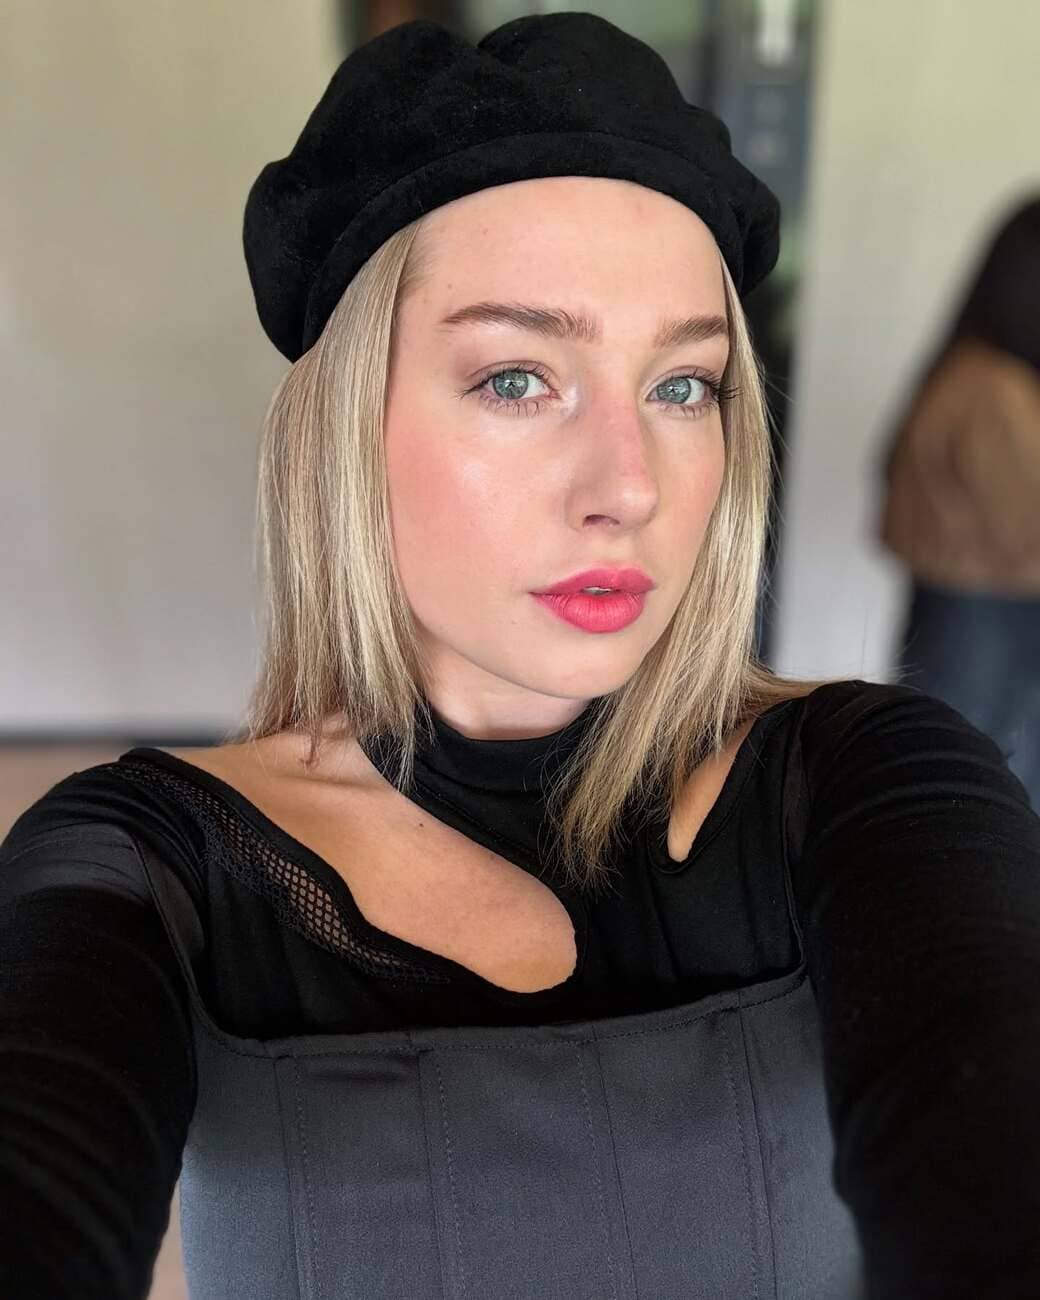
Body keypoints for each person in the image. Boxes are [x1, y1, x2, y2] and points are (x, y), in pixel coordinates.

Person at [1, 15, 1038, 1300]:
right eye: (516, 380)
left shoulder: (860, 779)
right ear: (345, 429)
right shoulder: (152, 863)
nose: (628, 486)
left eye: (681, 386)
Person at [879, 196, 1040, 809]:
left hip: (967, 614)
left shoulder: (975, 372)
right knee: (960, 794)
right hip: (988, 617)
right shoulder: (996, 391)